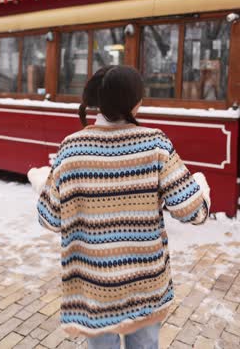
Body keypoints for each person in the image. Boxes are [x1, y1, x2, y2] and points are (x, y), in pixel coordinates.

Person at [28, 65, 210, 349]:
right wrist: (201, 186)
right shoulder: (156, 145)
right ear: (136, 103)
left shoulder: (71, 148)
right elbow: (193, 211)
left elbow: (49, 218)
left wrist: (41, 183)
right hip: (146, 286)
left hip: (94, 289)